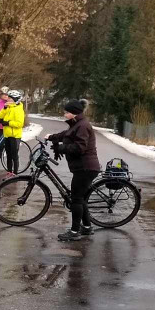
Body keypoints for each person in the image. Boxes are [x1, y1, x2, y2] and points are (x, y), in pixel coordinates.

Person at [48, 99, 99, 242]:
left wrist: (61, 148)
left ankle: (75, 231)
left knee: (76, 199)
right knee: (80, 197)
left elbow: (79, 148)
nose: (64, 114)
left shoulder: (83, 126)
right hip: (83, 167)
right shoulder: (77, 124)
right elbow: (66, 134)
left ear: (74, 113)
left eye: (66, 112)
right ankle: (87, 227)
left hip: (85, 168)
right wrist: (52, 137)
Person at [0, 89, 25, 174]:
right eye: (8, 98)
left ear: (15, 100)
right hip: (7, 134)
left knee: (14, 155)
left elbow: (20, 124)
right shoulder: (8, 107)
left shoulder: (19, 109)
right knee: (8, 155)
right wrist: (4, 108)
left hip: (15, 136)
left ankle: (15, 173)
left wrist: (8, 123)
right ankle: (9, 172)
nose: (8, 100)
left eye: (10, 98)